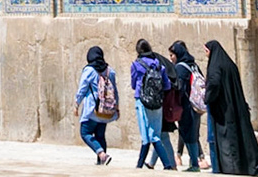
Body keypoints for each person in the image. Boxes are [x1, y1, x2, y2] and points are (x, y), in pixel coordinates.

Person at [204, 40, 258, 176]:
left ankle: (232, 169)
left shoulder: (216, 65)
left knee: (228, 141)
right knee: (242, 138)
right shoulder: (230, 64)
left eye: (207, 51)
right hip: (236, 108)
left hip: (223, 111)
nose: (206, 55)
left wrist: (208, 97)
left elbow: (214, 82)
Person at [130, 39, 178, 169]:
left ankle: (139, 166)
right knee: (156, 136)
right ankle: (167, 165)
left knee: (145, 137)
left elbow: (134, 85)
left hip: (142, 101)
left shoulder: (136, 65)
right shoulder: (158, 65)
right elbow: (167, 85)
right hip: (157, 103)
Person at [75, 45, 119, 166]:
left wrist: (77, 103)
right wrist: (117, 108)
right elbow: (115, 90)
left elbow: (82, 89)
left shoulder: (89, 70)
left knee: (85, 133)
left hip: (92, 110)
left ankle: (101, 154)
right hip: (105, 110)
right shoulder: (110, 71)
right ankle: (101, 162)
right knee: (100, 135)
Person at [169, 41, 205, 171]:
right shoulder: (193, 65)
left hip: (186, 106)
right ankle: (194, 162)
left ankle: (194, 164)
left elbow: (180, 88)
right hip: (196, 105)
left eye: (172, 55)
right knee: (193, 134)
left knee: (187, 134)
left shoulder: (180, 68)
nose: (171, 58)